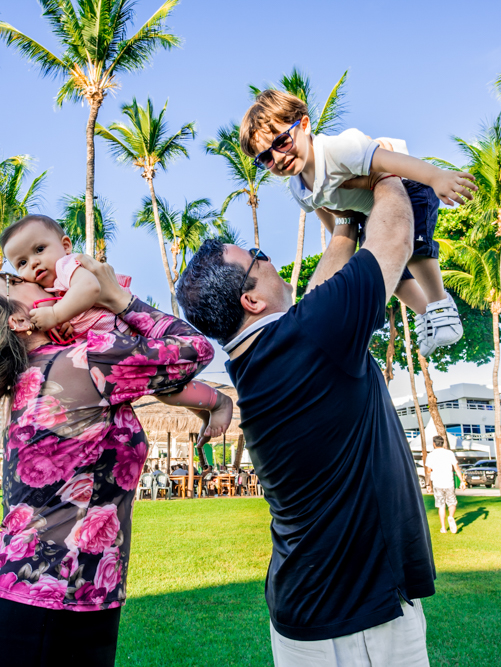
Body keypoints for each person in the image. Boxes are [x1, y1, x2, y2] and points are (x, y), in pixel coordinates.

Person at [0, 254, 218, 667]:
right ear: (20, 319)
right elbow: (195, 348)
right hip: (44, 621)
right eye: (12, 281)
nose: (31, 276)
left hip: (42, 612)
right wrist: (118, 297)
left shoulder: (45, 373)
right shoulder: (84, 365)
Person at [177, 176, 434, 666]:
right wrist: (378, 169)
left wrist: (342, 227)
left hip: (305, 611)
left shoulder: (256, 359)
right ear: (250, 300)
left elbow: (318, 293)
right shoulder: (311, 334)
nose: (268, 256)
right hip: (360, 618)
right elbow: (395, 239)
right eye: (257, 254)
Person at [239, 89, 477, 357]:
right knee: (384, 265)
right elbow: (326, 211)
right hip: (372, 210)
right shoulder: (298, 186)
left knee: (414, 248)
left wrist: (436, 177)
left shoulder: (338, 149)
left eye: (281, 142)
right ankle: (426, 315)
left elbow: (388, 161)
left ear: (304, 125)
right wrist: (346, 247)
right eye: (266, 158)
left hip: (409, 185)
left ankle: (440, 304)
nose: (278, 158)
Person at [0, 214, 232, 436]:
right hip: (114, 341)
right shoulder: (52, 291)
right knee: (164, 387)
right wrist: (66, 322)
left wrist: (56, 314)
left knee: (167, 386)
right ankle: (204, 409)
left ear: (66, 245)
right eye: (22, 262)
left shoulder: (67, 265)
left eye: (39, 249)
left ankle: (218, 401)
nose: (34, 262)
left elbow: (90, 288)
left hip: (123, 328)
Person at [424, 436, 467, 534]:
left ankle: (443, 528)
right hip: (449, 482)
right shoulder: (449, 453)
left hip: (438, 483)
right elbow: (456, 467)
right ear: (443, 443)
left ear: (434, 444)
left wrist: (428, 484)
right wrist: (461, 481)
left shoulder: (431, 455)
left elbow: (428, 470)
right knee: (452, 503)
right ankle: (451, 516)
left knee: (441, 506)